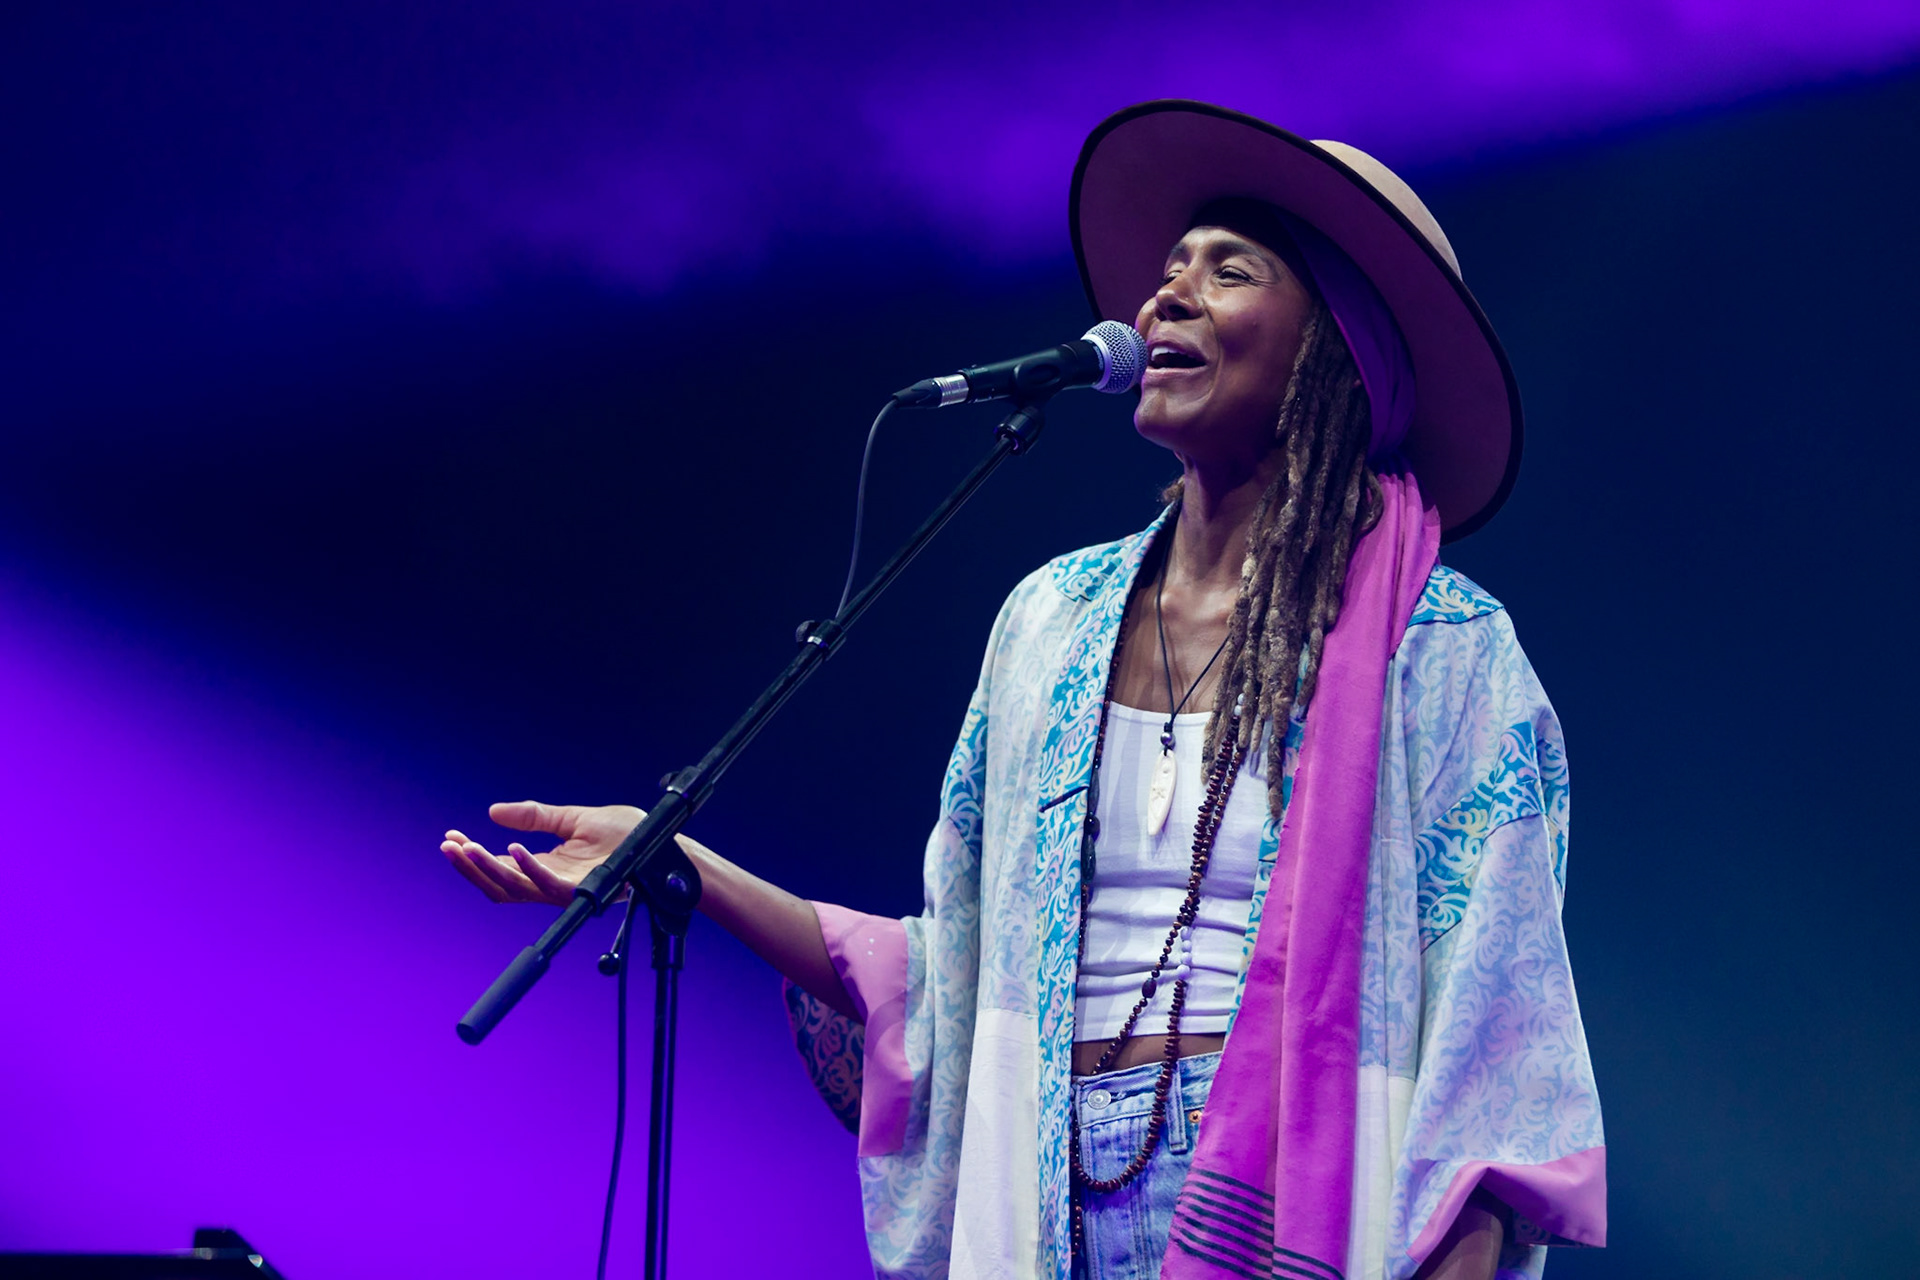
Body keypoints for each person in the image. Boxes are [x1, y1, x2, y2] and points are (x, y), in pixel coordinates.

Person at [440, 102, 1604, 1280]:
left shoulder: (1438, 645)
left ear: (1339, 346)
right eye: (1167, 272)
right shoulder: (1051, 622)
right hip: (1050, 1195)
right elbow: (951, 978)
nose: (1165, 299)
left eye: (1229, 270)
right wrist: (680, 860)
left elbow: (1494, 1063)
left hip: (1305, 1217)